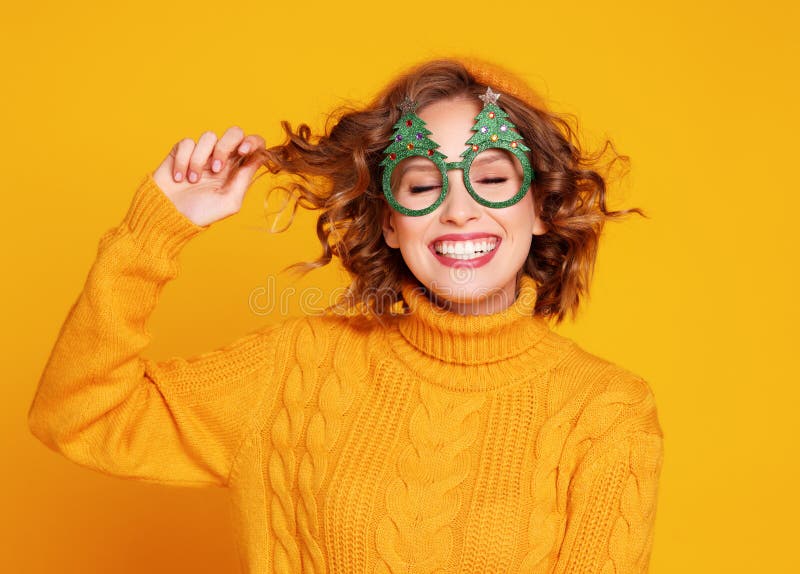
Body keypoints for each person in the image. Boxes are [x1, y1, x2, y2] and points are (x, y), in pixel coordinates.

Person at [28, 58, 665, 573]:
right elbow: (79, 413)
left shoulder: (606, 411)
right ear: (390, 221)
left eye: (493, 179)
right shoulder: (296, 368)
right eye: (421, 185)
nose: (459, 209)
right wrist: (153, 236)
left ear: (543, 206)